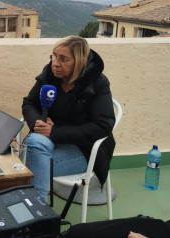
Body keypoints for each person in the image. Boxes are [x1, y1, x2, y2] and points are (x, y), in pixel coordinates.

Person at [22, 36, 116, 200]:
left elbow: (103, 126)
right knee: (34, 144)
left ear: (79, 62)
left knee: (28, 164)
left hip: (85, 149)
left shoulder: (98, 83)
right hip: (50, 139)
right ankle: (39, 213)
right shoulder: (50, 75)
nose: (55, 63)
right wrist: (38, 121)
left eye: (63, 59)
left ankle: (37, 213)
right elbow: (29, 103)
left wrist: (55, 132)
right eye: (54, 56)